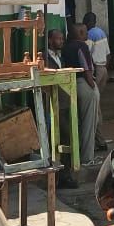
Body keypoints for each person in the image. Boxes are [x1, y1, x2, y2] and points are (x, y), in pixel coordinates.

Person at [42, 29, 78, 188]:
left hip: (63, 104)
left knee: (66, 138)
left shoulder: (59, 57)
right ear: (50, 40)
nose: (61, 41)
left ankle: (63, 175)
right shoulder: (44, 58)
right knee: (60, 139)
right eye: (58, 39)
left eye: (62, 39)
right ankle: (62, 176)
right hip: (52, 105)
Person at [63, 24, 101, 166]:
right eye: (84, 32)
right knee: (89, 122)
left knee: (78, 122)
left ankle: (79, 156)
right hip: (84, 84)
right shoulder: (82, 46)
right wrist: (92, 86)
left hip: (70, 85)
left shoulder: (66, 47)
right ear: (79, 33)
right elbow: (87, 68)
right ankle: (87, 158)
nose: (87, 34)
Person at [84, 12, 110, 151]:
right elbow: (108, 54)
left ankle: (99, 140)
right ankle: (99, 139)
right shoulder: (101, 32)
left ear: (87, 22)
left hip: (95, 71)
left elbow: (86, 55)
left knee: (94, 108)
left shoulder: (89, 35)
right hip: (103, 69)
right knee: (97, 104)